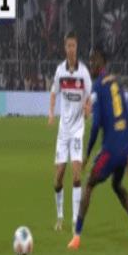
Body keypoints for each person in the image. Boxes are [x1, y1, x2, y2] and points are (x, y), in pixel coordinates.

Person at [67, 47, 128, 250]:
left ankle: (76, 237)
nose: (90, 64)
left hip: (110, 150)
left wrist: (87, 155)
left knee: (89, 184)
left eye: (93, 60)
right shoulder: (117, 82)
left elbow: (96, 125)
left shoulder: (97, 87)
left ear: (101, 62)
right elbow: (127, 116)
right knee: (117, 186)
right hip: (123, 147)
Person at [48, 31, 92, 232]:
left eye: (73, 46)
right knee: (59, 175)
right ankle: (60, 216)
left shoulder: (84, 72)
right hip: (63, 131)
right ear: (65, 48)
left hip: (77, 130)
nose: (71, 49)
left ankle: (75, 220)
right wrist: (51, 113)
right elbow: (53, 93)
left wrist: (88, 109)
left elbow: (89, 96)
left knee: (76, 174)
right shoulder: (60, 71)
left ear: (77, 47)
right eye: (68, 46)